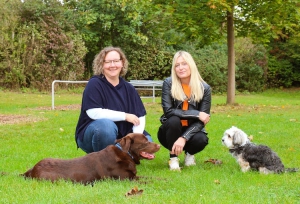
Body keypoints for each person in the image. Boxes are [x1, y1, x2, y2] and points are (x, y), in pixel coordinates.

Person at [75, 46, 152, 153]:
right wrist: (125, 116)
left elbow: (140, 115)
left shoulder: (129, 88)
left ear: (122, 63)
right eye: (108, 62)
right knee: (106, 127)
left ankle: (121, 152)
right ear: (101, 64)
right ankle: (105, 159)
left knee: (147, 141)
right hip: (95, 134)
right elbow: (94, 113)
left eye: (116, 61)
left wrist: (135, 137)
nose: (112, 65)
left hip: (123, 135)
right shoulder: (94, 84)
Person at [157, 51, 211, 170]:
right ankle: (173, 158)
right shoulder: (169, 83)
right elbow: (169, 112)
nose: (181, 68)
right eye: (177, 65)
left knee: (201, 139)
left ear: (191, 65)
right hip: (169, 131)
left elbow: (202, 121)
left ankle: (189, 154)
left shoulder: (205, 88)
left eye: (184, 64)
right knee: (174, 120)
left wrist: (183, 138)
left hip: (191, 130)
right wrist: (197, 114)